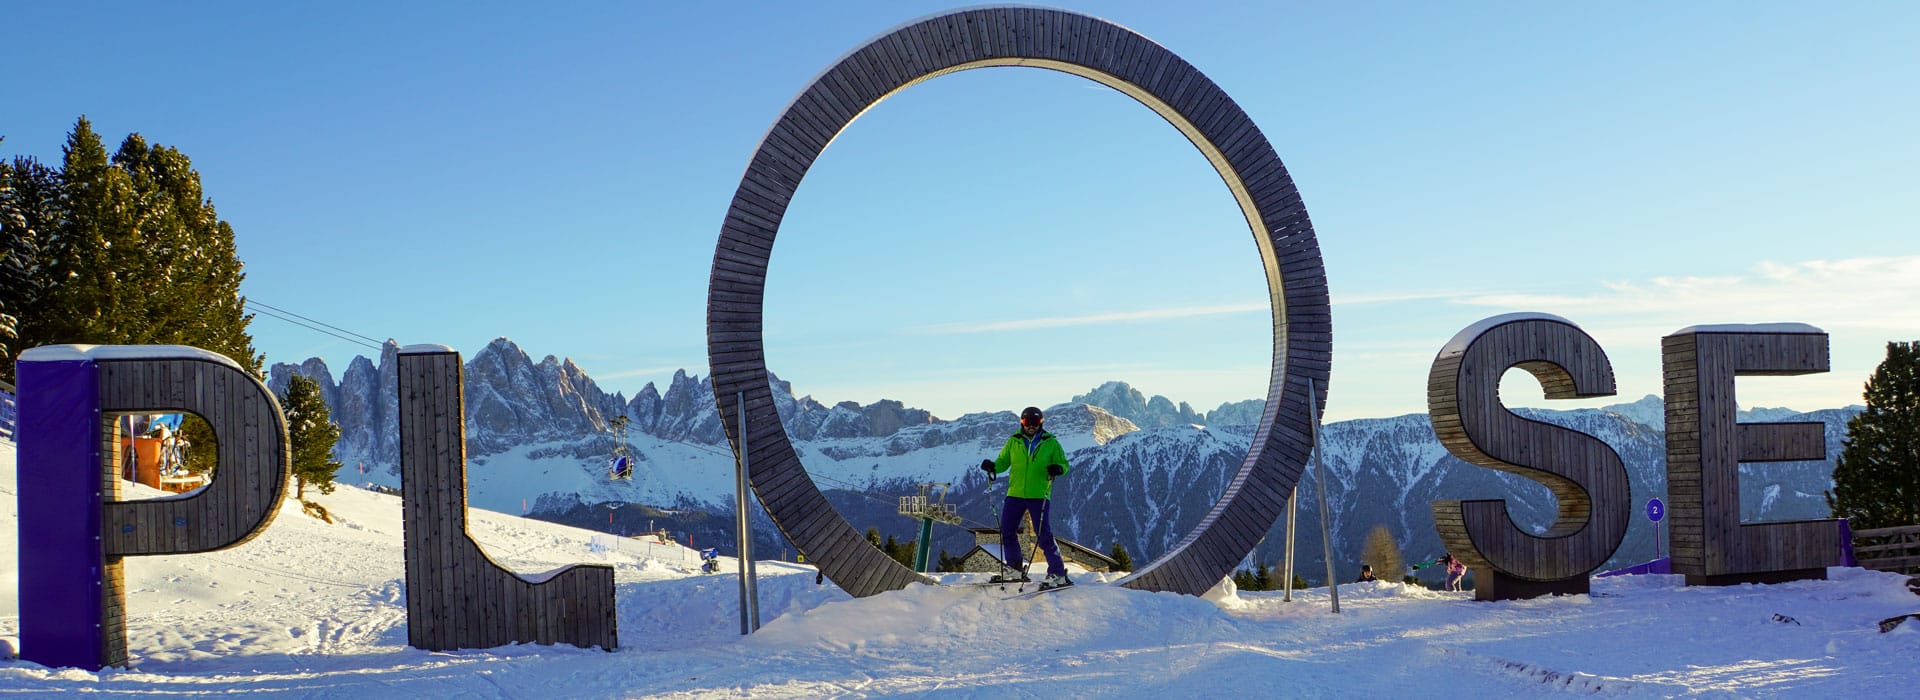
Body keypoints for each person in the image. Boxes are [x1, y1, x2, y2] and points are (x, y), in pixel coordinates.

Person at [980, 406, 1072, 589]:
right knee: (1007, 530)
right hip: (1014, 494)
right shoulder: (1014, 441)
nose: (1030, 426)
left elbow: (1064, 464)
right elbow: (1003, 462)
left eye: (1034, 422)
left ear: (1041, 423)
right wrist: (992, 466)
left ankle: (1058, 573)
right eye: (1026, 422)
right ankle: (1014, 569)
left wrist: (1058, 469)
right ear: (1021, 423)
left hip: (1039, 494)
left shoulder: (1051, 442)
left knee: (1043, 534)